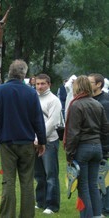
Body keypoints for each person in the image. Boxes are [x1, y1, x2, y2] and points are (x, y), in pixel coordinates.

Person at [0, 59, 46, 218]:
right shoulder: (31, 92)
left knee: (8, 181)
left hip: (7, 142)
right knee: (27, 182)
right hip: (26, 143)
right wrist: (42, 141)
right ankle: (27, 215)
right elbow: (38, 119)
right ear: (23, 74)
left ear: (9, 73)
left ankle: (7, 215)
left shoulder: (0, 91)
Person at [64, 75, 108, 218]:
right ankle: (97, 215)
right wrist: (104, 150)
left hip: (83, 148)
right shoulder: (98, 104)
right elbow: (105, 129)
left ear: (77, 87)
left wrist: (69, 154)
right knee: (93, 185)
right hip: (97, 147)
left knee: (83, 187)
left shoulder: (76, 105)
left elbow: (73, 133)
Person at [34, 74, 62, 214]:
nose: (40, 86)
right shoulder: (34, 98)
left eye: (43, 84)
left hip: (49, 141)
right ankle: (40, 201)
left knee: (51, 175)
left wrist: (40, 140)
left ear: (49, 84)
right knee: (38, 175)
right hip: (35, 142)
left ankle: (52, 205)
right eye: (38, 84)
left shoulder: (54, 100)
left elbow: (52, 123)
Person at [88, 73, 109, 217]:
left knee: (103, 177)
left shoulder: (105, 102)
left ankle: (105, 208)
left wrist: (105, 148)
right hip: (92, 144)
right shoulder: (89, 99)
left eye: (90, 82)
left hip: (101, 145)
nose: (87, 84)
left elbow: (105, 128)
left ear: (99, 84)